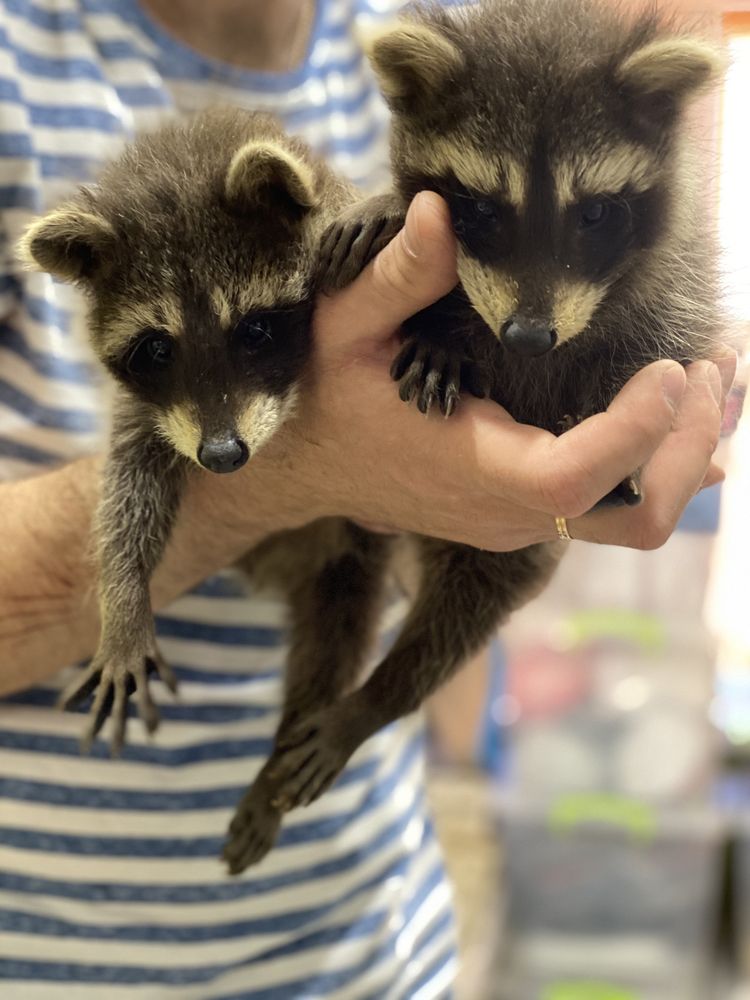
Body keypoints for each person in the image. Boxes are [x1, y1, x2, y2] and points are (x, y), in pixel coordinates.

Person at [0, 0, 733, 995]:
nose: (531, 307)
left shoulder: (414, 38)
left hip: (380, 941)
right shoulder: (21, 65)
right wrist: (284, 480)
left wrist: (552, 491)